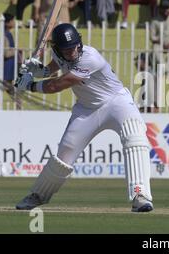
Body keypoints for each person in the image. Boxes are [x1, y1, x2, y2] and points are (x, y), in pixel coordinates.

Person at [14, 23, 154, 212]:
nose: (72, 52)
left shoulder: (90, 57)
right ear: (57, 49)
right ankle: (38, 195)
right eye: (67, 49)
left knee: (135, 138)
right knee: (64, 154)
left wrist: (30, 85)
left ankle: (140, 195)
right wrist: (39, 70)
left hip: (117, 102)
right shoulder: (58, 53)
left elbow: (57, 85)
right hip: (87, 109)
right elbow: (53, 69)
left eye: (75, 47)